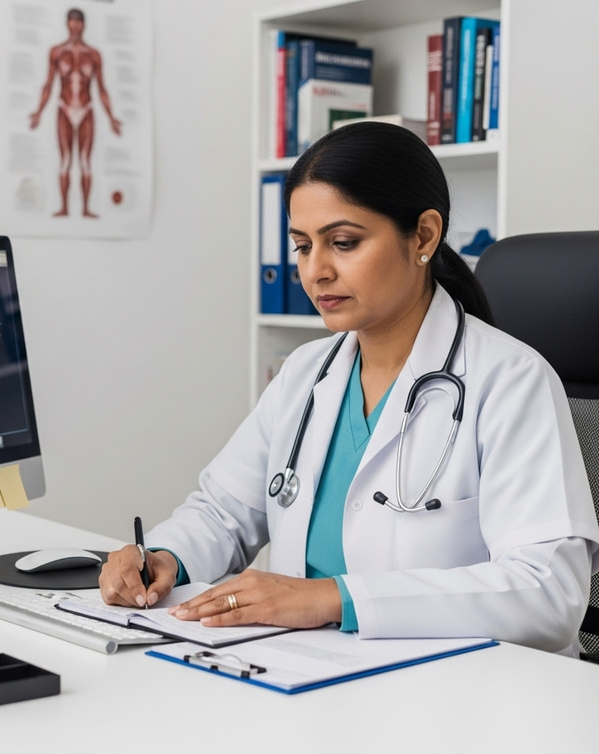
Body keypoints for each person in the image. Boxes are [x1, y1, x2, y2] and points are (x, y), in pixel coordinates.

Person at [99, 121, 599, 656]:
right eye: (302, 246)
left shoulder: (510, 381)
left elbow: (547, 593)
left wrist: (332, 598)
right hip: (310, 670)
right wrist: (163, 558)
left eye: (343, 243)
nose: (316, 271)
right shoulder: (305, 373)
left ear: (424, 236)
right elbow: (224, 512)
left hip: (461, 691)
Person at [29, 8, 122, 219]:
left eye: (79, 22)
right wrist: (38, 112)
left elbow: (102, 89)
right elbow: (48, 85)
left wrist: (111, 117)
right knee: (65, 160)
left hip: (86, 108)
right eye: (72, 21)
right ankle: (64, 207)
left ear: (84, 25)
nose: (76, 26)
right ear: (67, 24)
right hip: (65, 107)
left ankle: (86, 209)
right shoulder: (57, 52)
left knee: (85, 162)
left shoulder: (94, 54)